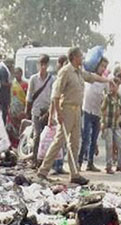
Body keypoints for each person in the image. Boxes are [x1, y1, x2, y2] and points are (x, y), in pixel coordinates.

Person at [37, 47, 109, 185]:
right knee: (59, 141)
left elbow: (92, 77)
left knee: (75, 143)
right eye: (80, 56)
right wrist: (58, 113)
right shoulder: (65, 71)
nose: (83, 58)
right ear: (74, 57)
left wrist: (107, 80)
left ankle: (74, 173)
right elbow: (56, 95)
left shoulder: (79, 72)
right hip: (67, 110)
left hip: (77, 110)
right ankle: (43, 171)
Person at [79, 57, 108, 171]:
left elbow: (107, 95)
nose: (103, 69)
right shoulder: (89, 76)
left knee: (94, 139)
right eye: (102, 66)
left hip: (97, 112)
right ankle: (79, 162)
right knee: (85, 138)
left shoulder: (104, 81)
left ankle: (90, 163)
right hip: (86, 111)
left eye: (105, 67)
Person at [25, 54, 54, 166]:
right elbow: (29, 95)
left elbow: (53, 97)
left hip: (47, 111)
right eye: (41, 64)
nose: (43, 67)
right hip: (36, 111)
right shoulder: (33, 79)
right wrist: (27, 110)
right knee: (37, 135)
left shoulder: (52, 80)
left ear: (48, 65)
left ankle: (45, 161)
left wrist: (50, 112)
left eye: (45, 64)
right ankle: (34, 159)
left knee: (47, 137)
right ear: (38, 65)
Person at [101, 78, 121, 174]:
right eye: (112, 86)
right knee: (109, 145)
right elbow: (102, 110)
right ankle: (108, 166)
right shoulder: (107, 97)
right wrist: (102, 123)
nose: (113, 88)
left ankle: (119, 165)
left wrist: (120, 112)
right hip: (108, 124)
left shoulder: (119, 97)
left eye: (115, 86)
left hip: (116, 125)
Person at [52, 54, 69, 174]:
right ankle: (54, 166)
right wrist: (54, 114)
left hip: (66, 113)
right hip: (59, 113)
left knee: (64, 142)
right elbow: (54, 99)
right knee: (58, 141)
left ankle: (59, 165)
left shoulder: (68, 78)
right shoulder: (59, 80)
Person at [0, 58, 13, 125]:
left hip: (1, 92)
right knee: (4, 109)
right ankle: (3, 123)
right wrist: (11, 84)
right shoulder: (3, 70)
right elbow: (2, 83)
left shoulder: (1, 68)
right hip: (3, 93)